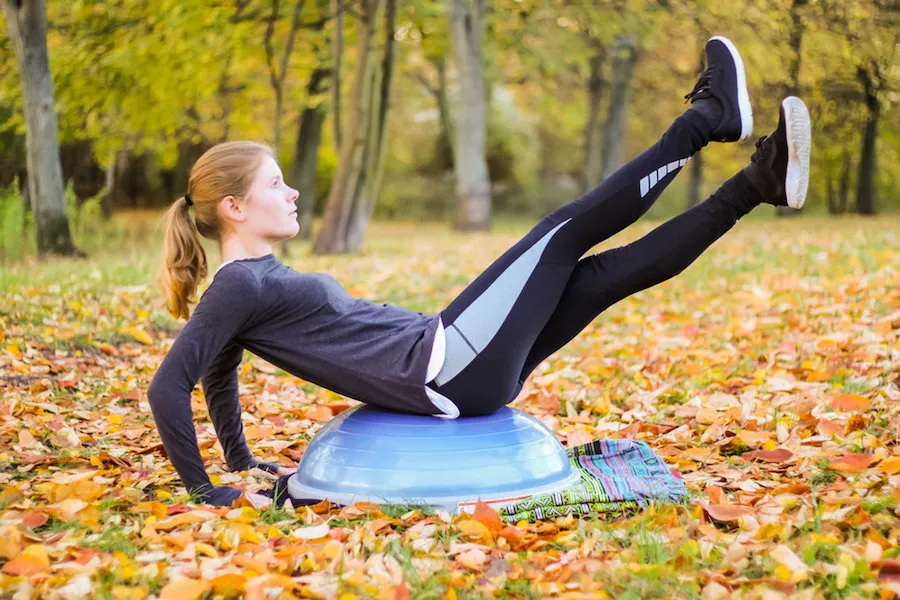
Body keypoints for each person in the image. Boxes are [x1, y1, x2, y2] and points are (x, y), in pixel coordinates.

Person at [147, 36, 811, 507]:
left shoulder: (247, 285)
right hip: (445, 363)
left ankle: (760, 182)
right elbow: (169, 387)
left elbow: (218, 372)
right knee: (566, 230)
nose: (291, 193)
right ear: (233, 207)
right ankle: (706, 120)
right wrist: (208, 489)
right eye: (275, 184)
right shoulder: (237, 283)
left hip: (460, 371)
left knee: (603, 277)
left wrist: (238, 459)